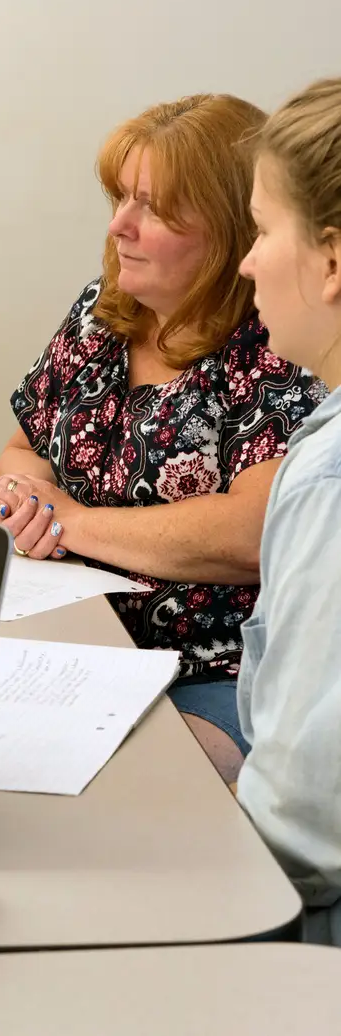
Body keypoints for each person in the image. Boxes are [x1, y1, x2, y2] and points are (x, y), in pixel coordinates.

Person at [0, 94, 325, 784]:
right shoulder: (100, 312)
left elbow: (251, 532)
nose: (119, 226)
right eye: (118, 198)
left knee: (135, 790)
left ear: (234, 228)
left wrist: (75, 523)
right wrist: (27, 495)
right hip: (77, 642)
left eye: (154, 208)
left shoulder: (276, 338)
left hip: (210, 669)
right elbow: (23, 448)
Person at [234, 77, 341, 944]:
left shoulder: (330, 481)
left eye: (264, 231)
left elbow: (306, 822)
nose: (248, 261)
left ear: (333, 261)